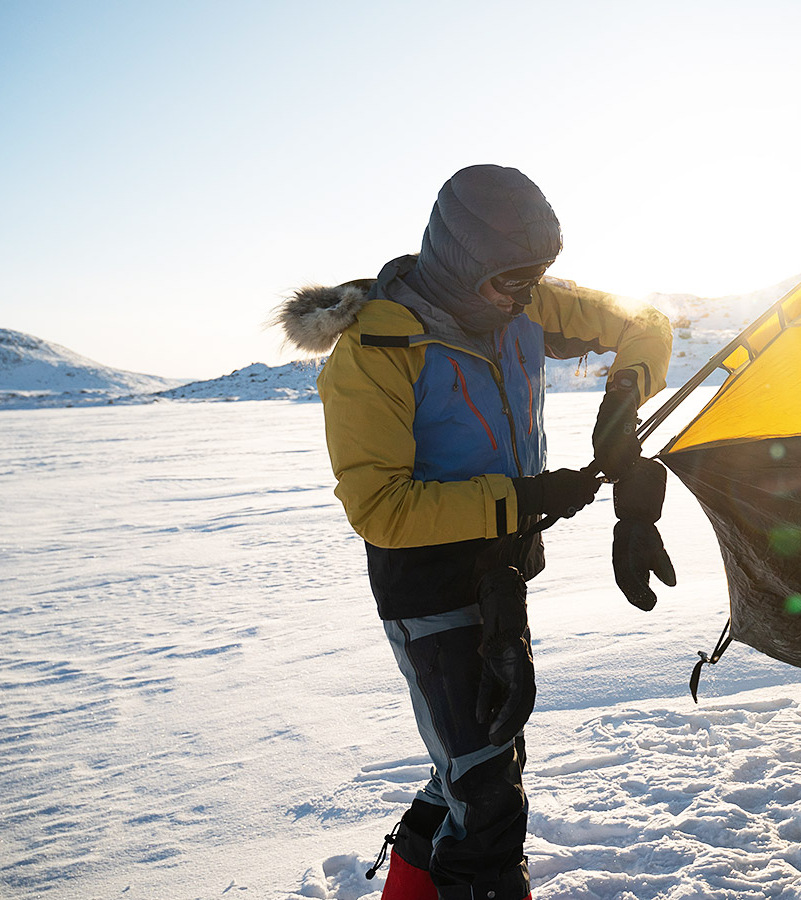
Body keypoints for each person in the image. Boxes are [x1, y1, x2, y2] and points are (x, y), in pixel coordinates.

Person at [277, 164, 674, 900]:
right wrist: (520, 498)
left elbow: (644, 322)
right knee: (487, 794)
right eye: (510, 280)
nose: (525, 295)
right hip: (425, 585)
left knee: (477, 762)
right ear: (463, 262)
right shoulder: (376, 351)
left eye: (535, 278)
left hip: (504, 572)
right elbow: (379, 507)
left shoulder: (526, 306)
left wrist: (625, 393)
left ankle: (411, 888)